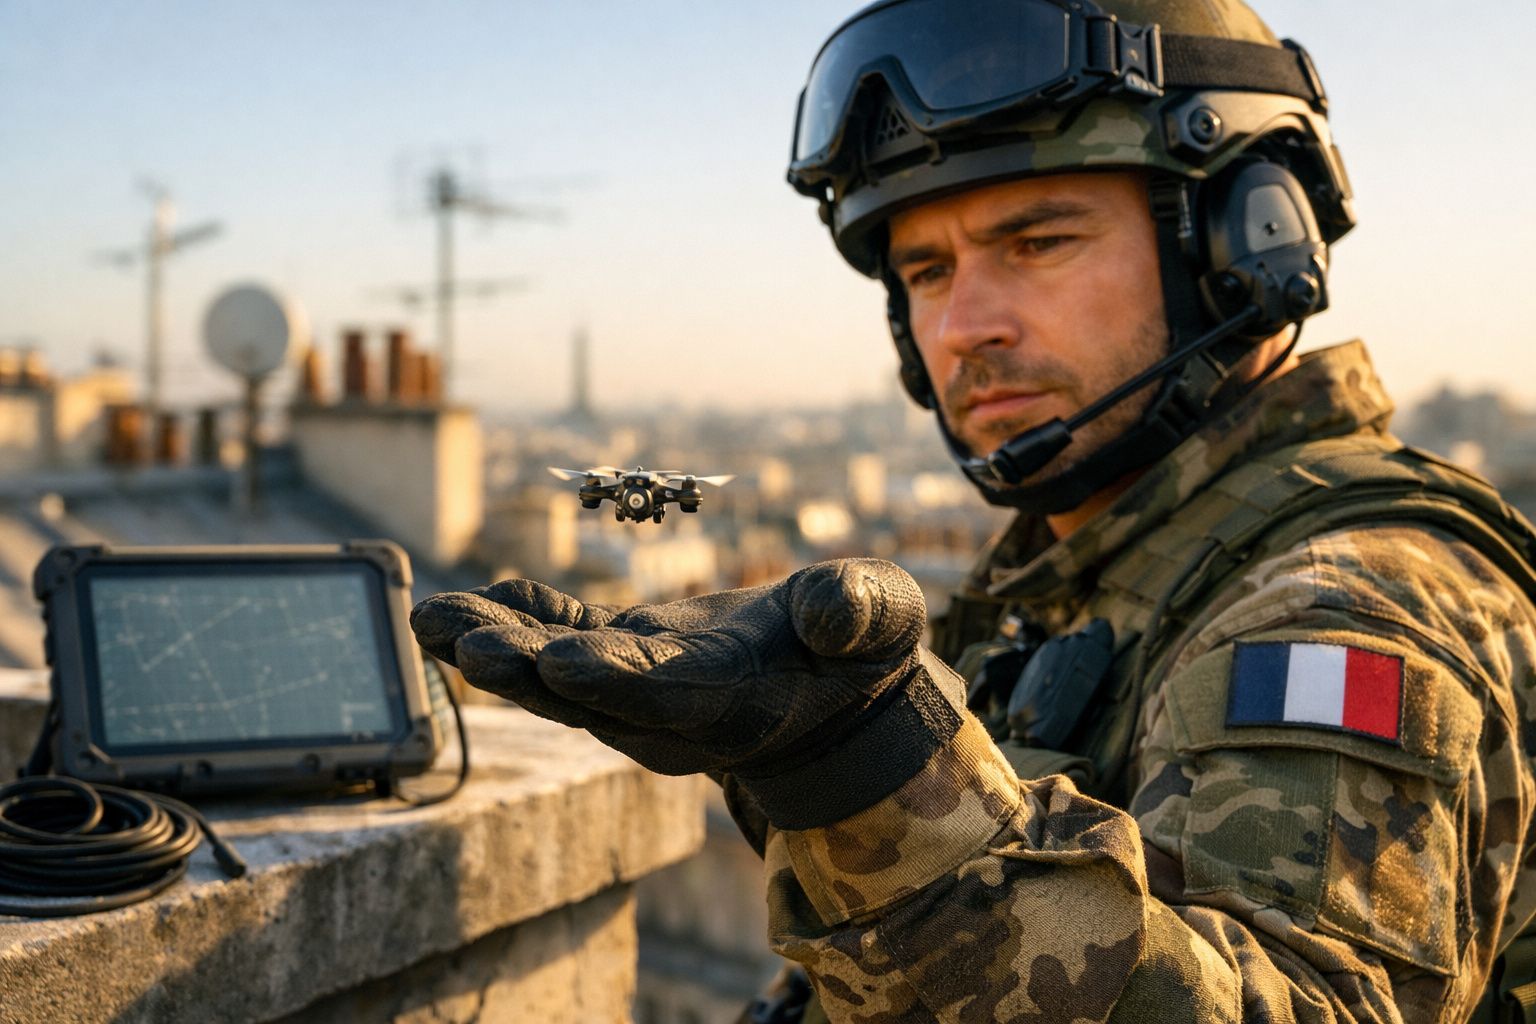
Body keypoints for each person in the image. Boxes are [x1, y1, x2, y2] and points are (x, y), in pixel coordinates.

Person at [412, 1, 1536, 1020]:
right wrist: (789, 764)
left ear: (1244, 245)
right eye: (927, 270)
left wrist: (863, 766)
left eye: (1036, 242)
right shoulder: (1093, 565)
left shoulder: (1351, 599)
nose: (962, 326)